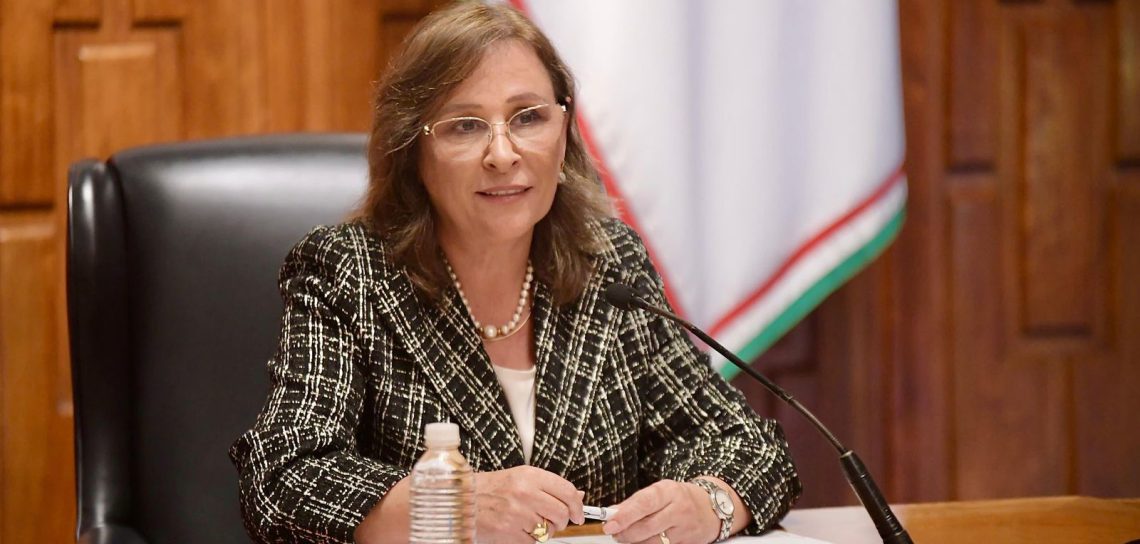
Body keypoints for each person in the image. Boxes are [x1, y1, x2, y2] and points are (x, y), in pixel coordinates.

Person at [229, 3, 801, 543]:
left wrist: (708, 503)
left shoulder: (608, 263)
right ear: (412, 152)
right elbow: (281, 481)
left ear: (563, 131)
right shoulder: (349, 272)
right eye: (465, 126)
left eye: (528, 117)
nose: (503, 154)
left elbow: (747, 444)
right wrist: (455, 505)